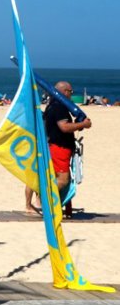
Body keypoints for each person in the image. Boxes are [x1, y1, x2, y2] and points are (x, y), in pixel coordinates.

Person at [44, 81, 92, 218]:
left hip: (59, 145)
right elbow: (64, 127)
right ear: (64, 91)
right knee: (63, 180)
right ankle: (46, 200)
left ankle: (59, 206)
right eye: (70, 92)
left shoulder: (53, 105)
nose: (71, 94)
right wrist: (83, 124)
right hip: (60, 147)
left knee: (64, 179)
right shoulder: (59, 107)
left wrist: (78, 125)